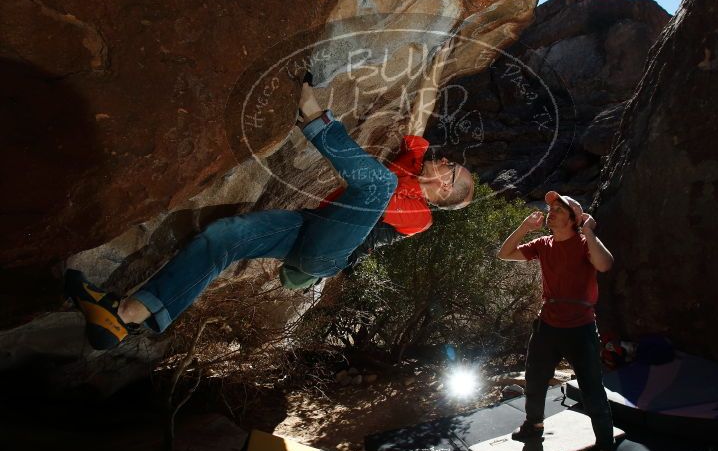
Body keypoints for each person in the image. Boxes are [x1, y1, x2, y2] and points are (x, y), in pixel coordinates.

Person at [66, 72, 474, 350]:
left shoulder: (420, 218)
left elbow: (372, 195)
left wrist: (317, 115)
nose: (444, 160)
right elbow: (418, 124)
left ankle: (310, 115)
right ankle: (121, 317)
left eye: (449, 167)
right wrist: (441, 57)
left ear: (445, 185)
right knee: (224, 236)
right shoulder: (414, 164)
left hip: (329, 254)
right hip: (307, 227)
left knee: (378, 183)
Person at [497, 191, 621, 451]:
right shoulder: (543, 243)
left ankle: (605, 448)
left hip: (581, 328)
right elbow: (504, 254)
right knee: (535, 378)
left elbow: (605, 264)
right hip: (548, 325)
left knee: (592, 389)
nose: (550, 212)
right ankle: (534, 424)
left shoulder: (584, 243)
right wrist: (524, 227)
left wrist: (588, 232)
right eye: (550, 208)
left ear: (573, 219)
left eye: (558, 210)